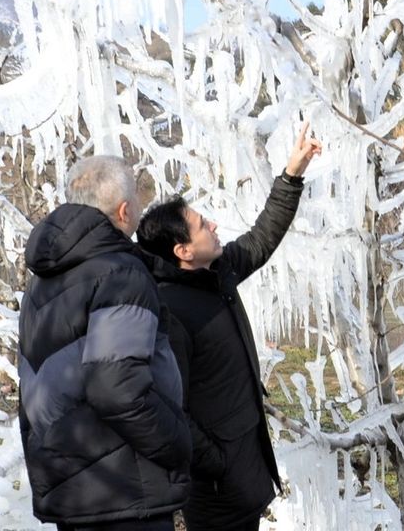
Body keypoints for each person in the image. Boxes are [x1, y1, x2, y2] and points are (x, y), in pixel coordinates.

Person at [137, 122, 322, 531]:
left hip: (243, 463)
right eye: (203, 225)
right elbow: (169, 406)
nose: (214, 226)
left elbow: (261, 239)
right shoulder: (170, 312)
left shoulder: (215, 273)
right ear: (183, 250)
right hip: (216, 486)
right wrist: (215, 461)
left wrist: (292, 173)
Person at [18, 155, 192, 531]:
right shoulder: (120, 272)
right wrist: (179, 442)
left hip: (72, 482)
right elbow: (117, 390)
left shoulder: (45, 276)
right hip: (124, 491)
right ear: (125, 210)